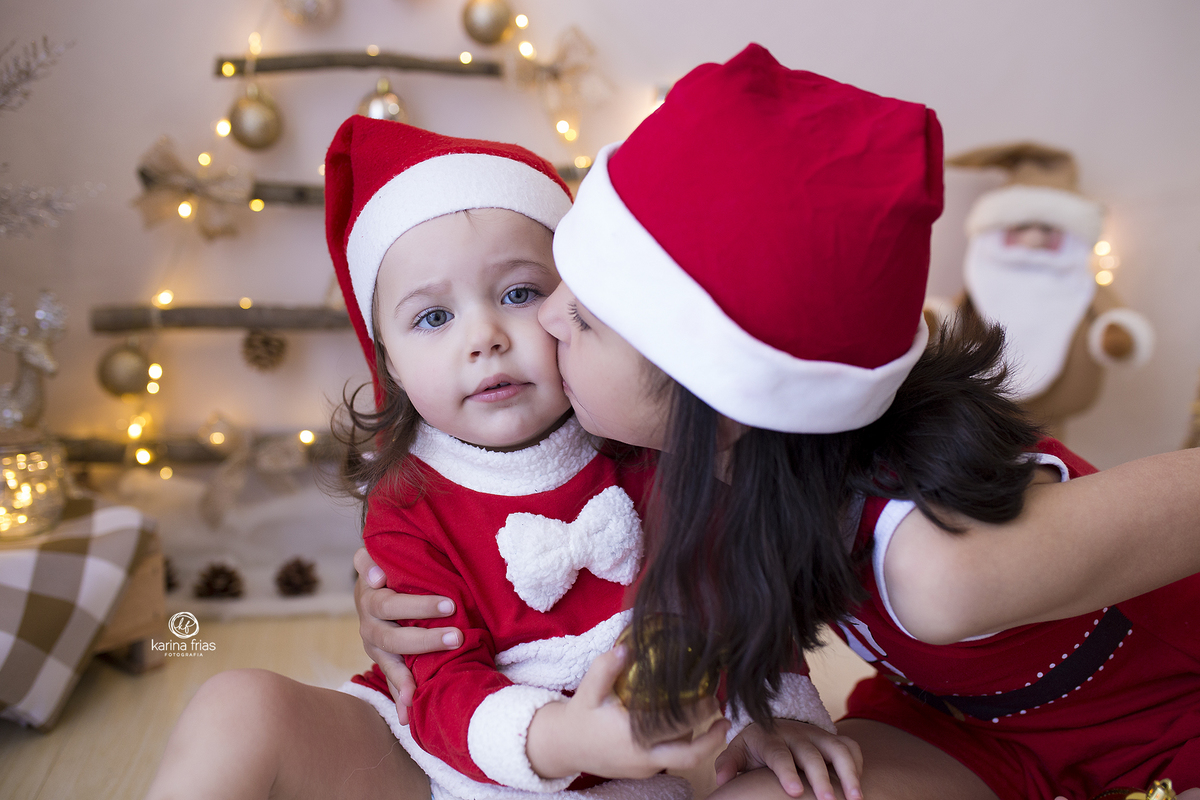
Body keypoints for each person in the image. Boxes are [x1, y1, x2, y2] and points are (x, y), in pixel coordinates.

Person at [355, 45, 1200, 800]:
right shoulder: (702, 459)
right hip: (960, 729)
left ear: (705, 393)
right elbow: (493, 513)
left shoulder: (945, 567)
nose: (544, 323)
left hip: (1169, 726)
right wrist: (389, 588)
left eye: (583, 315)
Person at [147, 115, 861, 800]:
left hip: (620, 782)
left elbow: (736, 596)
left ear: (575, 305)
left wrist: (776, 713)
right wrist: (565, 739)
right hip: (426, 757)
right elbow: (437, 686)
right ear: (388, 360)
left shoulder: (645, 446)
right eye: (434, 316)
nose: (484, 335)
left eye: (519, 293)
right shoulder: (407, 499)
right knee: (237, 705)